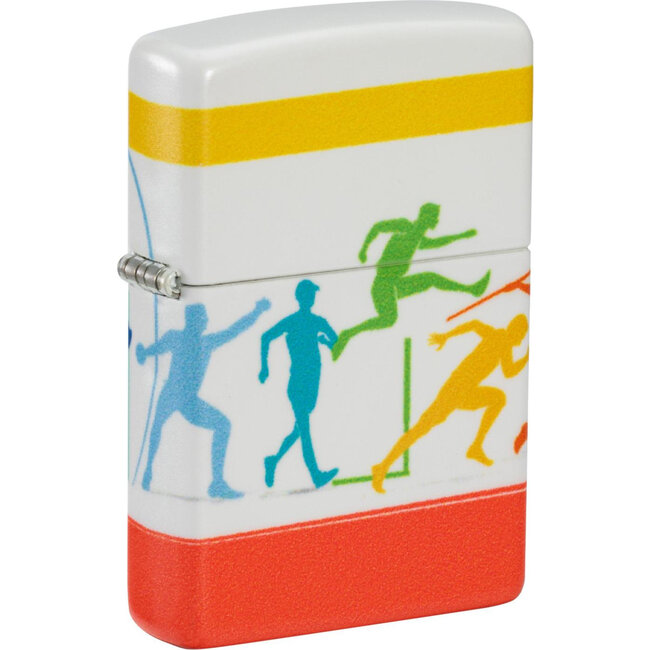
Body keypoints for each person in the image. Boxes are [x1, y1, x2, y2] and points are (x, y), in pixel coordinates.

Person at [372, 314, 529, 494]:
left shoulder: (499, 339)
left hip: (465, 390)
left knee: (498, 398)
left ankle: (476, 447)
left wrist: (446, 336)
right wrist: (526, 356)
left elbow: (475, 325)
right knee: (420, 429)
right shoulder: (501, 339)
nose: (521, 339)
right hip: (456, 390)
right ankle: (382, 467)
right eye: (522, 334)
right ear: (516, 331)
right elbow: (508, 371)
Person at [136, 300, 271, 498]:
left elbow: (235, 330)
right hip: (173, 393)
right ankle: (148, 472)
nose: (207, 321)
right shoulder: (190, 340)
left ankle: (216, 483)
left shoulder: (197, 341)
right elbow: (155, 349)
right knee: (158, 426)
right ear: (195, 321)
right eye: (204, 318)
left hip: (186, 399)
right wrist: (144, 352)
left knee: (221, 425)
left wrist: (256, 312)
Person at [332, 203, 490, 360]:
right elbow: (378, 227)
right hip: (383, 284)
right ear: (426, 217)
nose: (437, 221)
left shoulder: (418, 239)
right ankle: (348, 333)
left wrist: (461, 236)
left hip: (396, 283)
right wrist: (364, 250)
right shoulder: (405, 226)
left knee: (430, 278)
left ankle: (472, 289)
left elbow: (437, 243)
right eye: (434, 217)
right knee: (389, 319)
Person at [259, 280, 339, 489]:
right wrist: (264, 368)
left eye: (312, 295)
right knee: (305, 430)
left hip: (313, 382)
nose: (310, 298)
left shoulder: (318, 321)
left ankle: (273, 461)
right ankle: (316, 475)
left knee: (300, 429)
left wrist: (326, 342)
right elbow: (265, 337)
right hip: (298, 383)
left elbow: (336, 340)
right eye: (307, 294)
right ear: (299, 297)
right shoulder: (293, 321)